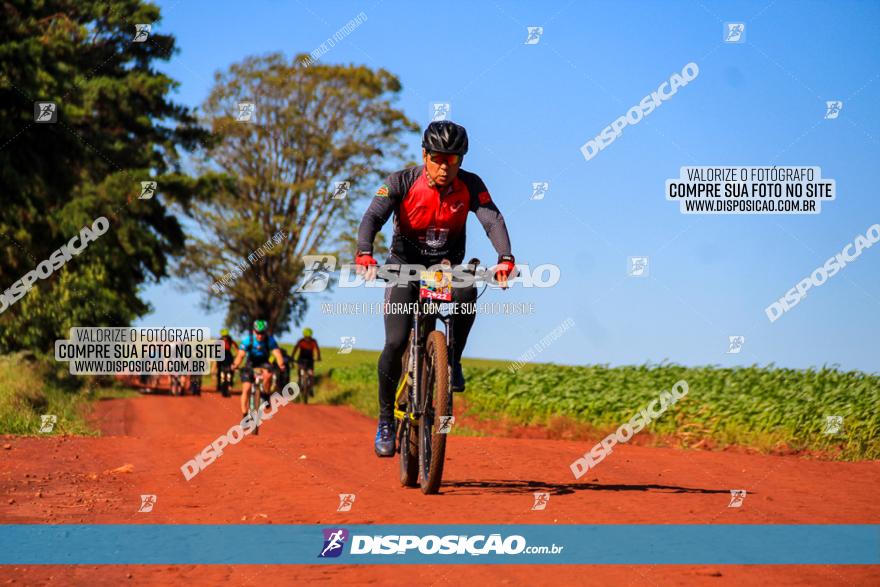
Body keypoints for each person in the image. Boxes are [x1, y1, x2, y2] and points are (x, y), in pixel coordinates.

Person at [355, 120, 516, 457]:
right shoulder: (400, 181)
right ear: (425, 154)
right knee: (396, 341)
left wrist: (505, 257)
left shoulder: (471, 185)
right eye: (439, 158)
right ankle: (385, 419)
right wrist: (365, 253)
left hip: (445, 265)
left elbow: (492, 219)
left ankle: (450, 361)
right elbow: (373, 216)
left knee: (467, 289)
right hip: (403, 263)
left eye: (453, 160)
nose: (445, 167)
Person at [230, 320, 286, 421]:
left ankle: (266, 394)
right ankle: (244, 414)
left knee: (268, 375)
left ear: (266, 332)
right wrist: (235, 365)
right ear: (254, 331)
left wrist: (281, 364)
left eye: (262, 333)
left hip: (264, 362)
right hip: (250, 363)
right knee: (246, 388)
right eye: (258, 333)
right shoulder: (248, 340)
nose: (260, 335)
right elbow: (241, 355)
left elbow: (277, 353)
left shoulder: (270, 340)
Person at [217, 328, 238, 394]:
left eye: (226, 336)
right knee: (219, 371)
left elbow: (236, 348)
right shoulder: (218, 341)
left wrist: (237, 355)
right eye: (223, 336)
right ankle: (219, 386)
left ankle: (230, 383)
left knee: (231, 370)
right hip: (221, 356)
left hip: (229, 356)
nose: (225, 338)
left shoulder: (231, 340)